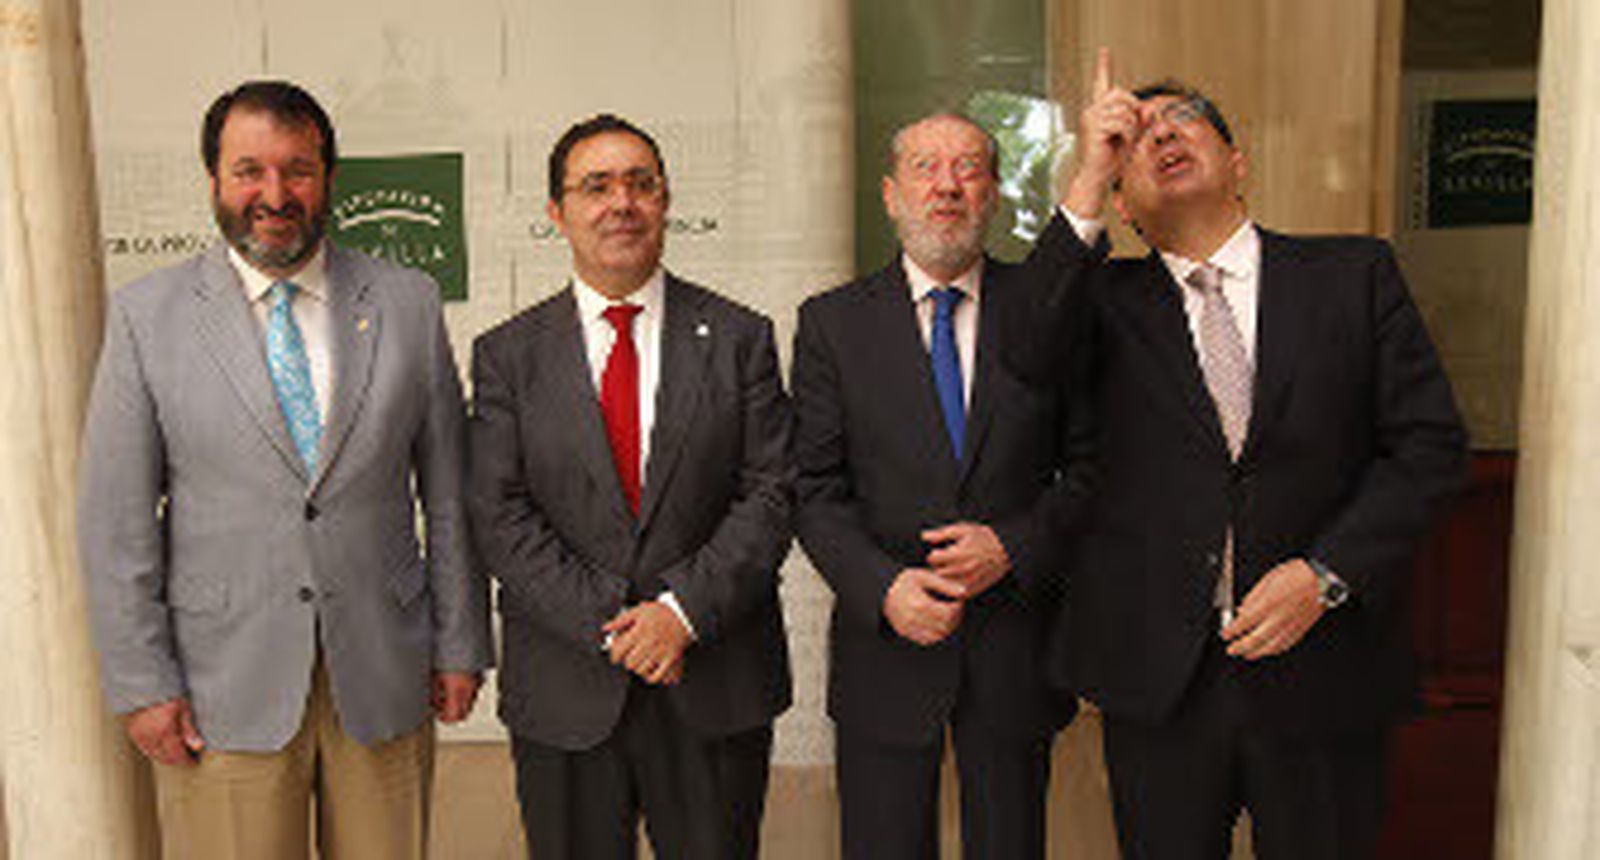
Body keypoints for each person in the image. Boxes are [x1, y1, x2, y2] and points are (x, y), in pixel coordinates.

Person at [1007, 50, 1470, 859]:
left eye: (1183, 119)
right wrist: (1086, 176)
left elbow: (1428, 449)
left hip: (1325, 665)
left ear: (1238, 161)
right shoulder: (1102, 303)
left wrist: (1326, 576)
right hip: (1162, 681)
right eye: (1137, 138)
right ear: (1121, 202)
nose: (1161, 136)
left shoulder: (1353, 274)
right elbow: (1026, 353)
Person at [77, 80, 492, 859]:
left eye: (298, 169)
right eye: (249, 171)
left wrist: (459, 641)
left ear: (328, 177)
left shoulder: (407, 302)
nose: (275, 194)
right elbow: (115, 522)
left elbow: (448, 495)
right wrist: (142, 683)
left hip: (383, 667)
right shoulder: (146, 319)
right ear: (213, 181)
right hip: (221, 683)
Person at [467, 114, 792, 860]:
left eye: (640, 184)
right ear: (558, 213)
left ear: (665, 201)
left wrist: (678, 614)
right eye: (596, 186)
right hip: (567, 687)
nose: (622, 203)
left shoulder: (740, 338)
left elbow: (771, 493)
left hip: (713, 676)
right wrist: (621, 626)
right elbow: (499, 512)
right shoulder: (508, 356)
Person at [791, 112, 1090, 859]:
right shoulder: (832, 325)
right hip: (885, 648)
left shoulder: (1050, 308)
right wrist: (884, 588)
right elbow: (813, 489)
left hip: (1014, 645)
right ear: (891, 195)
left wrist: (1015, 547)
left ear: (993, 195)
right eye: (926, 168)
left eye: (968, 169)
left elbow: (1093, 469)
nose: (947, 186)